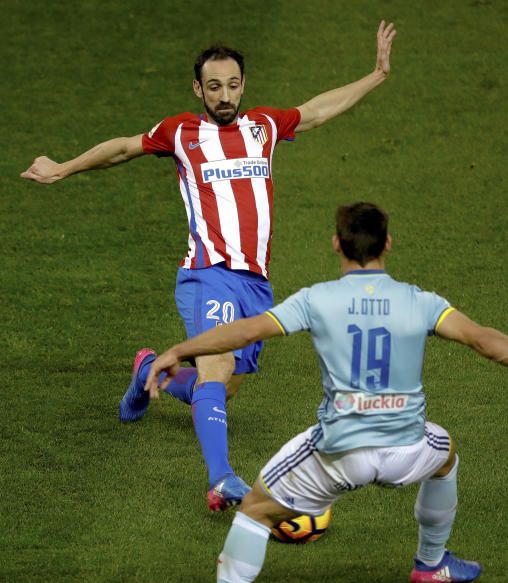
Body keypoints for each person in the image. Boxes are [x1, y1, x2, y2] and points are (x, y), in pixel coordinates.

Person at [143, 202, 508, 583]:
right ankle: (431, 565)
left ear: (336, 243)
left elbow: (245, 332)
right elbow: (485, 341)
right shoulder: (420, 301)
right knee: (445, 453)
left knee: (255, 510)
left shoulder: (316, 299)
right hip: (407, 452)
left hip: (340, 456)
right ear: (387, 244)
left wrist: (179, 351)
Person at [20, 22, 397, 512]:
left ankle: (146, 371)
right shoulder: (180, 132)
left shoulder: (262, 127)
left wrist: (377, 74)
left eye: (233, 85)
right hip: (208, 271)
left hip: (255, 283)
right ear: (198, 89)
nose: (225, 95)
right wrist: (64, 167)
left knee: (217, 387)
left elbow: (317, 111)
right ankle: (221, 481)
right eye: (214, 86)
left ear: (243, 85)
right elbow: (122, 148)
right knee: (216, 370)